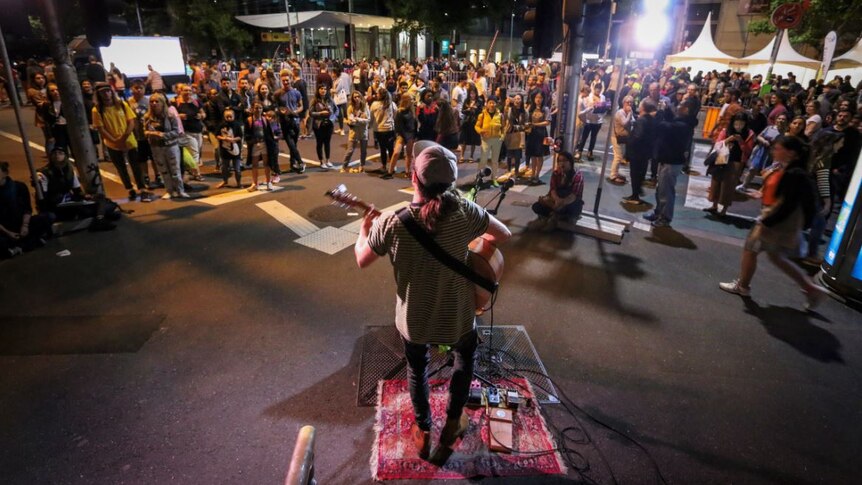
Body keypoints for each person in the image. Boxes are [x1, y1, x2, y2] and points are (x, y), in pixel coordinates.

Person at [354, 141, 511, 459]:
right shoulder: (465, 212)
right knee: (465, 360)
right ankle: (453, 424)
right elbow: (503, 234)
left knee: (417, 368)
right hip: (457, 316)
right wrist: (471, 245)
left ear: (413, 177)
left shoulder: (392, 222)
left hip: (415, 320)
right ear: (451, 183)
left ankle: (424, 429)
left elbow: (362, 259)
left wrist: (363, 229)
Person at [719, 136, 827, 310]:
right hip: (778, 219)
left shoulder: (794, 173)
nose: (773, 151)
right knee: (775, 256)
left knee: (751, 248)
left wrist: (767, 221)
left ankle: (743, 286)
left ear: (791, 153)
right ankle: (811, 288)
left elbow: (788, 202)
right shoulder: (788, 169)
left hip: (776, 219)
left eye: (778, 148)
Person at [92, 82, 149, 201]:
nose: (106, 94)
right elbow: (100, 128)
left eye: (108, 91)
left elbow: (131, 121)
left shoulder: (122, 104)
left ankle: (142, 188)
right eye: (103, 92)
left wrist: (123, 138)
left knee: (136, 166)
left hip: (128, 140)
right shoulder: (97, 110)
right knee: (121, 167)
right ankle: (129, 188)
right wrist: (115, 141)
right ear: (98, 94)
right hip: (112, 143)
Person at [642, 103, 692, 227]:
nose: (677, 107)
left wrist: (659, 113)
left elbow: (663, 126)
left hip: (671, 162)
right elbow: (671, 121)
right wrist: (668, 110)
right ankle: (659, 212)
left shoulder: (683, 126)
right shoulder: (680, 122)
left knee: (666, 192)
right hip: (666, 160)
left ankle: (665, 218)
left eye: (681, 106)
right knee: (660, 190)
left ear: (686, 110)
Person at [706, 113, 755, 216]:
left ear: (745, 124)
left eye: (741, 124)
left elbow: (748, 151)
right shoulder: (726, 131)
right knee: (717, 181)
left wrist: (741, 142)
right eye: (736, 124)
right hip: (722, 157)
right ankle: (714, 205)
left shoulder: (749, 134)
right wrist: (728, 140)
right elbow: (717, 144)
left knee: (729, 185)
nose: (738, 126)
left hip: (736, 161)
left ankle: (724, 210)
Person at [0, 161, 52, 258]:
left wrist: (25, 225)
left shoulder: (18, 187)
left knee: (47, 217)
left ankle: (19, 246)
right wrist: (8, 232)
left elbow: (27, 209)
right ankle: (29, 243)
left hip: (21, 223)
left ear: (5, 173)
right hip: (5, 229)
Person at [143, 93, 188, 199]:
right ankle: (170, 191)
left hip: (171, 146)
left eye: (156, 101)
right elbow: (144, 131)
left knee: (175, 170)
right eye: (152, 101)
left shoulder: (170, 115)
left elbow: (176, 132)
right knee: (164, 171)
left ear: (162, 103)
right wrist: (150, 133)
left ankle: (180, 190)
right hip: (156, 147)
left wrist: (163, 135)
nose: (154, 103)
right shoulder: (147, 117)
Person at [530, 151, 585, 230]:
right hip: (557, 202)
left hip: (570, 203)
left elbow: (573, 196)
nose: (562, 163)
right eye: (560, 161)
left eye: (565, 160)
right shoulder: (556, 173)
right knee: (536, 206)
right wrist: (556, 201)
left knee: (573, 208)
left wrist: (560, 203)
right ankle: (555, 216)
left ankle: (555, 216)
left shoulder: (577, 175)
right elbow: (553, 190)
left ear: (570, 162)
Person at [738, 113, 787, 193]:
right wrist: (764, 141)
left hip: (772, 155)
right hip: (761, 151)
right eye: (779, 118)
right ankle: (744, 185)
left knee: (767, 173)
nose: (781, 121)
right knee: (753, 169)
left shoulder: (785, 133)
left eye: (783, 119)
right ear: (776, 119)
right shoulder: (769, 128)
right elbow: (759, 136)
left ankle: (763, 190)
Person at [622, 100, 658, 205]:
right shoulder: (652, 119)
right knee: (641, 172)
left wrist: (629, 143)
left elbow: (637, 136)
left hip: (637, 152)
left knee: (635, 173)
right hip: (646, 151)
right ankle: (637, 191)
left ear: (642, 108)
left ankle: (635, 195)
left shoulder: (641, 121)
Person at [244, 102, 279, 191]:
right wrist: (252, 141)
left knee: (266, 164)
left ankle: (268, 182)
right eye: (256, 108)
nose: (258, 110)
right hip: (255, 145)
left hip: (264, 144)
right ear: (252, 109)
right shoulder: (249, 120)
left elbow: (269, 133)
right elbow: (246, 134)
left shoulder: (264, 119)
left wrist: (272, 143)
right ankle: (255, 183)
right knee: (255, 164)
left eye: (260, 108)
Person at [275, 73, 305, 174]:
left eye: (287, 80)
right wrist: (280, 111)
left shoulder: (296, 93)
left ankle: (292, 164)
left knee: (294, 144)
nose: (285, 82)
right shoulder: (278, 93)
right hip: (284, 122)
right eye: (283, 81)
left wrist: (296, 111)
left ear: (291, 80)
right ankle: (300, 162)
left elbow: (301, 106)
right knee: (291, 144)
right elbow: (276, 107)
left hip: (295, 121)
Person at [175, 84, 206, 180]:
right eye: (185, 90)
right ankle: (197, 173)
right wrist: (179, 116)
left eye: (189, 90)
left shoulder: (196, 102)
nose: (188, 92)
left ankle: (191, 170)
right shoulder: (176, 103)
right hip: (186, 132)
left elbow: (203, 113)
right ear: (180, 91)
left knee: (196, 151)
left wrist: (201, 116)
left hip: (198, 130)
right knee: (195, 152)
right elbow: (171, 115)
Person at [383, 93, 417, 179]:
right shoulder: (400, 112)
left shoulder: (412, 110)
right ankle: (390, 171)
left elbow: (415, 123)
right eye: (411, 99)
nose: (412, 101)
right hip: (402, 135)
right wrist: (405, 137)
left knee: (409, 155)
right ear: (406, 100)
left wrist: (414, 135)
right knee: (396, 153)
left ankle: (407, 171)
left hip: (411, 134)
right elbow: (398, 127)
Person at [474, 95, 504, 185]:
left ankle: (494, 178)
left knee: (495, 160)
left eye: (493, 103)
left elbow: (503, 127)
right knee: (483, 159)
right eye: (490, 102)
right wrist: (480, 131)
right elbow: (476, 126)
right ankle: (479, 177)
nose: (492, 104)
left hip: (497, 140)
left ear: (496, 104)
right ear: (487, 104)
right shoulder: (482, 114)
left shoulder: (500, 115)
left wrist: (502, 137)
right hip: (486, 140)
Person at [499, 93, 527, 182]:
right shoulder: (510, 109)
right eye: (515, 99)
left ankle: (517, 171)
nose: (517, 101)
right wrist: (506, 106)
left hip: (519, 134)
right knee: (509, 154)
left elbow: (526, 123)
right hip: (510, 133)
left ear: (522, 100)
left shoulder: (524, 111)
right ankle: (508, 171)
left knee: (518, 154)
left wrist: (520, 127)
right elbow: (505, 117)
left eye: (518, 99)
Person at [524, 91, 551, 185]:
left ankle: (537, 175)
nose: (538, 99)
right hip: (532, 133)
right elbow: (526, 118)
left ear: (543, 99)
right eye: (536, 97)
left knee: (540, 155)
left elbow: (547, 122)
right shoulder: (531, 108)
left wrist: (535, 124)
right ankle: (532, 174)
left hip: (541, 134)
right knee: (533, 155)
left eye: (540, 98)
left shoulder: (545, 109)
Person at [576, 83, 607, 160]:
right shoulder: (589, 96)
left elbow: (605, 109)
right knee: (584, 137)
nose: (598, 91)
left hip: (598, 121)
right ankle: (579, 151)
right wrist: (591, 107)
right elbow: (584, 107)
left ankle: (590, 151)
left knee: (593, 137)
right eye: (597, 89)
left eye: (600, 90)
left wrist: (602, 111)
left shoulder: (603, 97)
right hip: (588, 120)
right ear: (595, 89)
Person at [310, 85, 337, 169]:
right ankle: (321, 161)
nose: (323, 90)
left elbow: (337, 110)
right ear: (318, 90)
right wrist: (320, 113)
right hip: (318, 125)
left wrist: (332, 118)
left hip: (328, 124)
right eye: (321, 89)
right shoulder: (314, 100)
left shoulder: (330, 99)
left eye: (325, 89)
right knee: (320, 143)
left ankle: (328, 160)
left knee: (327, 143)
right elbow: (311, 113)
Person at [608, 95, 634, 185]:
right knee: (618, 157)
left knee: (620, 156)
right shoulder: (620, 113)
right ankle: (613, 175)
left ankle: (615, 172)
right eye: (628, 102)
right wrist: (630, 115)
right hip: (616, 137)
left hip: (623, 138)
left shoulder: (629, 112)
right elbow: (624, 122)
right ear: (623, 103)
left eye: (631, 102)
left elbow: (633, 121)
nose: (629, 104)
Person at [343, 91, 371, 173]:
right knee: (350, 150)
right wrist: (357, 121)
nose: (357, 98)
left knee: (363, 151)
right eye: (355, 97)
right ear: (352, 98)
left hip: (363, 132)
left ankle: (362, 166)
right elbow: (351, 121)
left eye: (358, 96)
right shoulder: (350, 108)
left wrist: (358, 119)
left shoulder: (365, 107)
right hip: (353, 132)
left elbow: (368, 120)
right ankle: (344, 166)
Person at [216, 108, 244, 189]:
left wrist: (233, 140)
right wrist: (223, 138)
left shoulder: (237, 125)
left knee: (237, 169)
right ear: (224, 117)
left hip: (235, 150)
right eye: (227, 117)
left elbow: (240, 137)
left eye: (230, 116)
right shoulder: (221, 125)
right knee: (224, 168)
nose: (229, 118)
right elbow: (217, 135)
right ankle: (225, 181)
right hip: (224, 149)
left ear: (234, 116)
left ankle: (239, 183)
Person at [371, 88, 396, 173]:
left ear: (380, 95)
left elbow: (371, 116)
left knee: (382, 149)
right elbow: (396, 115)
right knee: (391, 149)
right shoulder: (392, 104)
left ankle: (384, 166)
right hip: (390, 129)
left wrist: (370, 126)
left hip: (379, 129)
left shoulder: (374, 104)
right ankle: (393, 166)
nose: (376, 95)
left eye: (377, 94)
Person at [459, 85, 483, 163]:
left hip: (475, 122)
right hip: (466, 122)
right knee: (464, 140)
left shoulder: (479, 101)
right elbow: (462, 111)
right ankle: (462, 156)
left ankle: (471, 156)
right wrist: (468, 109)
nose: (472, 95)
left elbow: (481, 111)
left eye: (474, 93)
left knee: (473, 140)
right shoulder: (466, 101)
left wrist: (476, 110)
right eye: (471, 93)